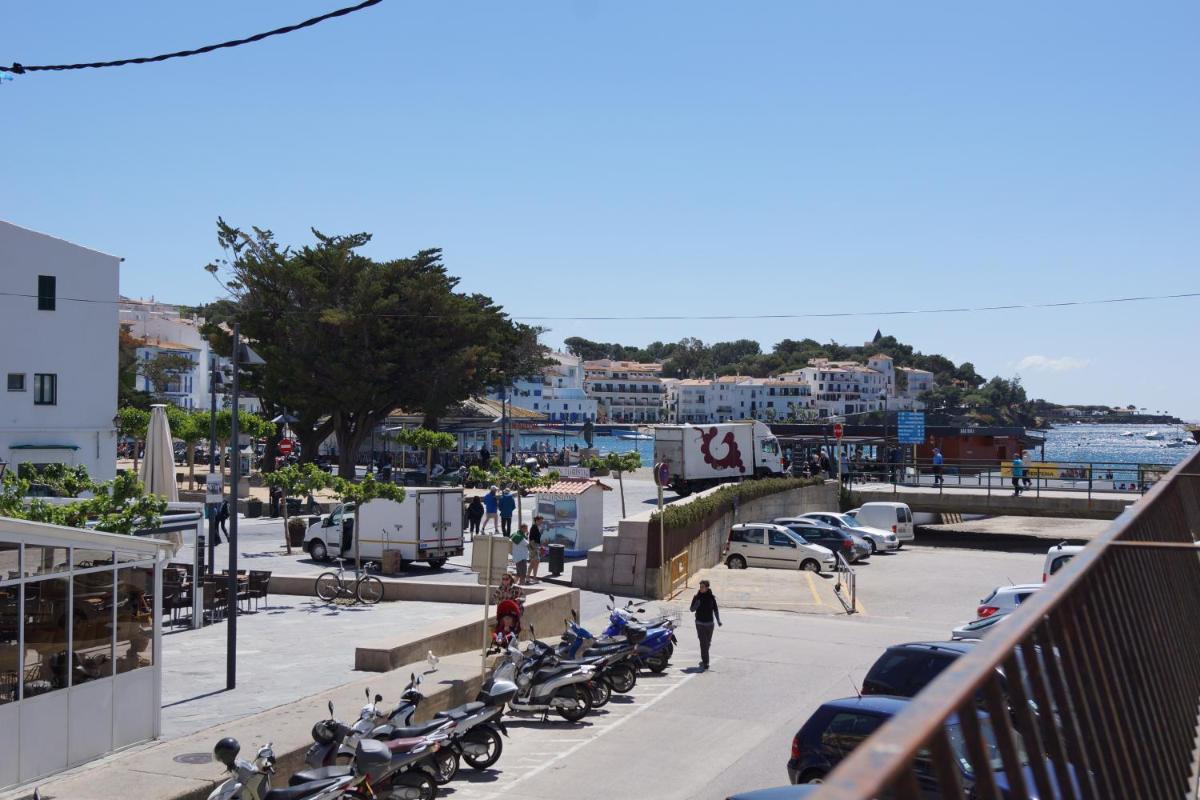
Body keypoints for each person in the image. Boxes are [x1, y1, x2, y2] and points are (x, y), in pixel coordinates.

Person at [689, 579, 722, 670]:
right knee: (703, 643)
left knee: (707, 643)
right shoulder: (697, 597)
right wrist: (696, 605)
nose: (701, 588)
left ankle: (704, 656)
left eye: (702, 587)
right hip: (699, 623)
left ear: (707, 588)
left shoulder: (711, 597)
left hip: (710, 624)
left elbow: (715, 609)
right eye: (700, 587)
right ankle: (705, 662)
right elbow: (691, 609)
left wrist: (718, 620)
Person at [528, 515, 544, 582]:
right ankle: (529, 577)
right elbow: (531, 539)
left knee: (535, 562)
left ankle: (533, 577)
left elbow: (536, 538)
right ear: (537, 520)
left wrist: (540, 546)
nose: (541, 522)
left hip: (535, 546)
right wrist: (535, 548)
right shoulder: (534, 527)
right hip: (534, 546)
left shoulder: (536, 527)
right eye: (540, 521)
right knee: (534, 562)